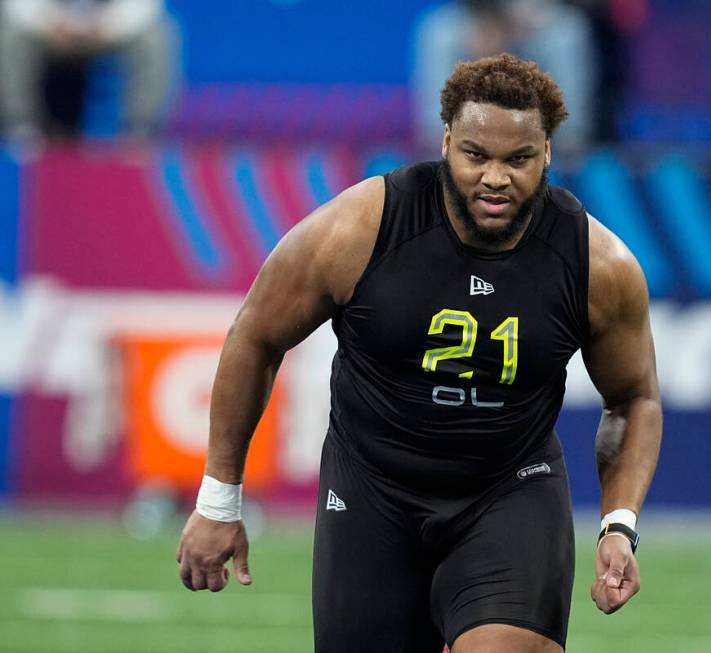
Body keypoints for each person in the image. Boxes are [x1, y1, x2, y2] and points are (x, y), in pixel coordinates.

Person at [176, 54, 663, 653]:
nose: (495, 178)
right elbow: (255, 336)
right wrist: (218, 500)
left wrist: (620, 524)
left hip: (508, 491)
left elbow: (634, 397)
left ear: (548, 155)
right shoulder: (360, 229)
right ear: (445, 142)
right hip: (372, 493)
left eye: (519, 159)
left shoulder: (597, 265)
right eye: (476, 155)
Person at [412, 0, 596, 153]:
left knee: (565, 34)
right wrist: (488, 20)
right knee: (440, 33)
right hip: (475, 11)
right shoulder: (448, 29)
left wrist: (517, 20)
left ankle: (564, 146)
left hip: (528, 13)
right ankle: (449, 142)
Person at [0, 0, 180, 143]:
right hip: (47, 30)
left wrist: (106, 26)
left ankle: (138, 133)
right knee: (7, 31)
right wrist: (49, 22)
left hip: (106, 32)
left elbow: (145, 7)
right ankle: (20, 129)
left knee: (155, 37)